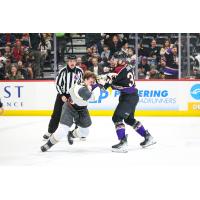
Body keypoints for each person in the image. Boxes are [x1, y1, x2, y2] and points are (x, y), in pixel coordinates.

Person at [99, 65, 156, 153]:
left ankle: (123, 143)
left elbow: (111, 84)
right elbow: (116, 79)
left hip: (128, 98)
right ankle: (148, 137)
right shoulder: (126, 68)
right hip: (132, 96)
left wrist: (105, 84)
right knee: (129, 119)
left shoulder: (119, 72)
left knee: (117, 118)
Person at [41, 71, 97, 152]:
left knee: (85, 132)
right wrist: (99, 86)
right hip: (70, 108)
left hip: (82, 110)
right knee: (63, 129)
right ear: (85, 79)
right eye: (91, 82)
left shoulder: (89, 86)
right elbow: (92, 97)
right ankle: (49, 144)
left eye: (93, 82)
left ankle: (71, 134)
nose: (92, 83)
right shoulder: (79, 87)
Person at [42, 55, 84, 140]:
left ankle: (79, 132)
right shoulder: (62, 71)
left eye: (73, 61)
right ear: (67, 62)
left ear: (76, 62)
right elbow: (57, 84)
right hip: (63, 94)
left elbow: (82, 83)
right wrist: (62, 95)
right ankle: (50, 131)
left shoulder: (80, 71)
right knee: (56, 114)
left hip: (75, 96)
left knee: (78, 114)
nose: (72, 63)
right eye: (70, 61)